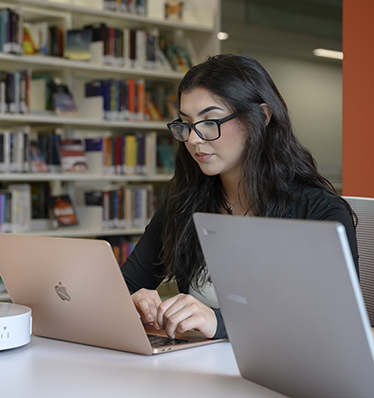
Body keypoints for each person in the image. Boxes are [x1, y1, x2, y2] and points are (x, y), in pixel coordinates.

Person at [121, 54, 358, 341]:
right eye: (186, 123)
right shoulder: (184, 202)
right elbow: (127, 283)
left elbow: (328, 321)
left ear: (261, 117)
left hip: (282, 377)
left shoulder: (319, 212)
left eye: (210, 121)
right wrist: (134, 299)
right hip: (197, 369)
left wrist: (219, 323)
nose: (194, 139)